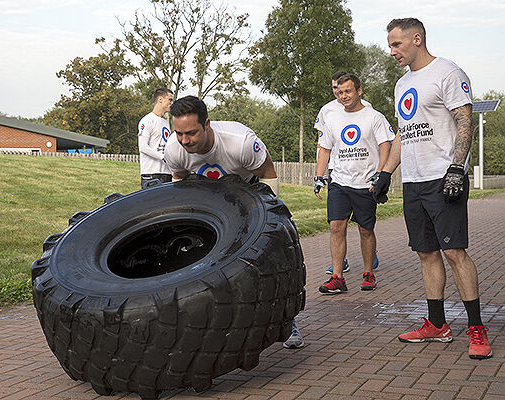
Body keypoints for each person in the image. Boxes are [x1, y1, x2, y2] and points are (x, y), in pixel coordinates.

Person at [372, 17, 491, 359]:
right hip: (413, 180)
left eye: (396, 44)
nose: (392, 51)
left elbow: (464, 121)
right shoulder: (401, 85)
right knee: (426, 253)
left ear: (417, 39)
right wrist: (385, 173)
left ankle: (476, 328)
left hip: (443, 176)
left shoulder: (448, 73)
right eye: (390, 45)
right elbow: (402, 133)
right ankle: (437, 325)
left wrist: (457, 168)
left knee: (454, 252)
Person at [164, 95, 304, 349]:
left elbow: (267, 174)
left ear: (207, 124)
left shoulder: (240, 143)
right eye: (179, 133)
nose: (185, 141)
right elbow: (179, 180)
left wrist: (268, 224)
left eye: (191, 133)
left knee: (273, 257)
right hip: (210, 205)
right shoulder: (174, 150)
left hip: (251, 198)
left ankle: (288, 320)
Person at [314, 74, 394, 294]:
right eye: (339, 92)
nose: (343, 96)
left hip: (365, 182)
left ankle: (368, 273)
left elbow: (385, 145)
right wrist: (319, 176)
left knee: (366, 229)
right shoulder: (332, 119)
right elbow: (325, 149)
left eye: (348, 91)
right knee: (336, 227)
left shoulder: (374, 117)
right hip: (339, 181)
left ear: (359, 91)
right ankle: (337, 278)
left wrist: (380, 174)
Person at [138, 88, 174, 188]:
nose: (172, 103)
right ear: (160, 99)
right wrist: (162, 157)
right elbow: (143, 147)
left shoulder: (166, 123)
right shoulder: (147, 120)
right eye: (170, 100)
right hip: (151, 173)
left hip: (166, 173)